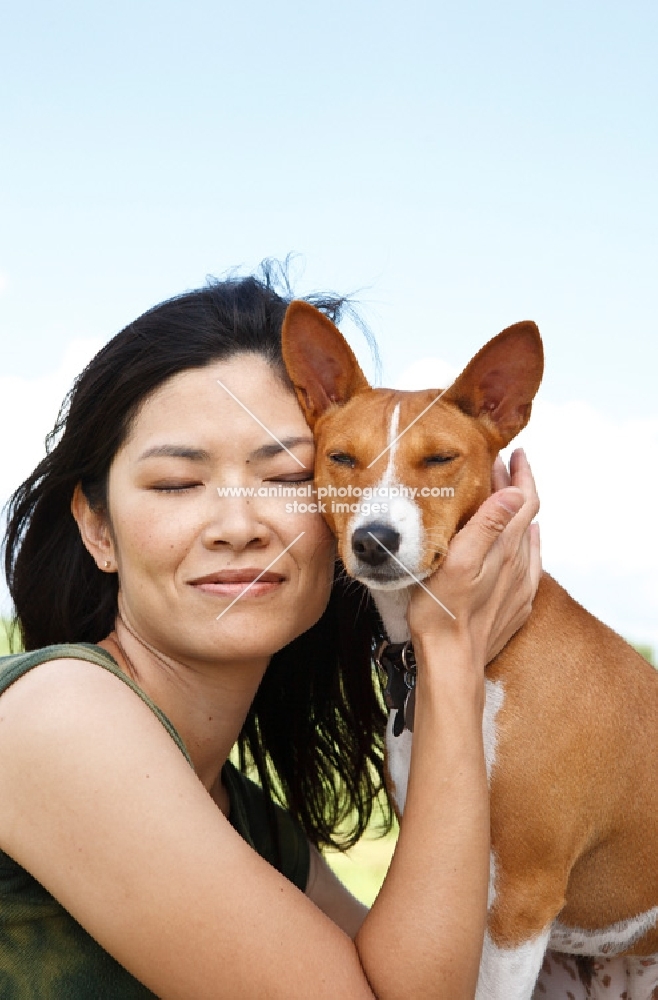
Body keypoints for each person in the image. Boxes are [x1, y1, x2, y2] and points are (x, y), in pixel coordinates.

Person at [0, 266, 541, 999]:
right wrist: (448, 649)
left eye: (289, 479)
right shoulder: (55, 715)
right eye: (176, 484)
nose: (237, 527)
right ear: (97, 528)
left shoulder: (248, 819)